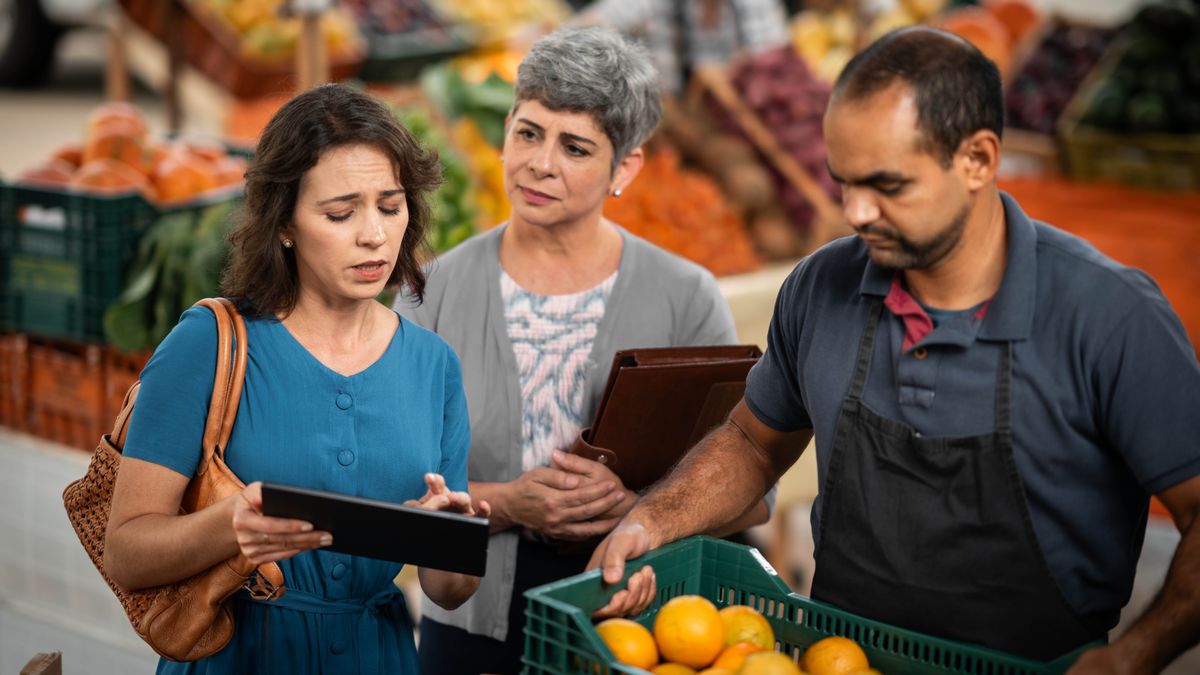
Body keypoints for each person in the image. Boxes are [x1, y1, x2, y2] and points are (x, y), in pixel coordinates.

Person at [589, 26, 1200, 672]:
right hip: (839, 659)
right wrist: (652, 518)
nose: (854, 211)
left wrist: (1135, 655)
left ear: (979, 160)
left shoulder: (1108, 316)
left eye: (887, 186)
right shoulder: (821, 285)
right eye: (843, 182)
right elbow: (750, 443)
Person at [394, 27, 774, 675]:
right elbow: (394, 486)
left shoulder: (686, 296)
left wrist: (640, 509)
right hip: (471, 629)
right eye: (528, 132)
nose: (540, 163)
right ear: (507, 126)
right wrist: (511, 501)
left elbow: (749, 494)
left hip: (641, 633)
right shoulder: (430, 295)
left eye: (575, 147)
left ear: (624, 167)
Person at [103, 83, 486, 674]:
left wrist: (450, 536)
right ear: (283, 223)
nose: (374, 235)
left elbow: (448, 590)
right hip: (238, 655)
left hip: (378, 657)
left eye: (391, 205)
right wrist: (228, 527)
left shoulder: (434, 365)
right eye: (340, 213)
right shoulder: (209, 344)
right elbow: (126, 552)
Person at [571, 0, 790, 95]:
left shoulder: (755, 4)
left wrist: (732, 73)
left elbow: (774, 58)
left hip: (734, 108)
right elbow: (608, 15)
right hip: (672, 103)